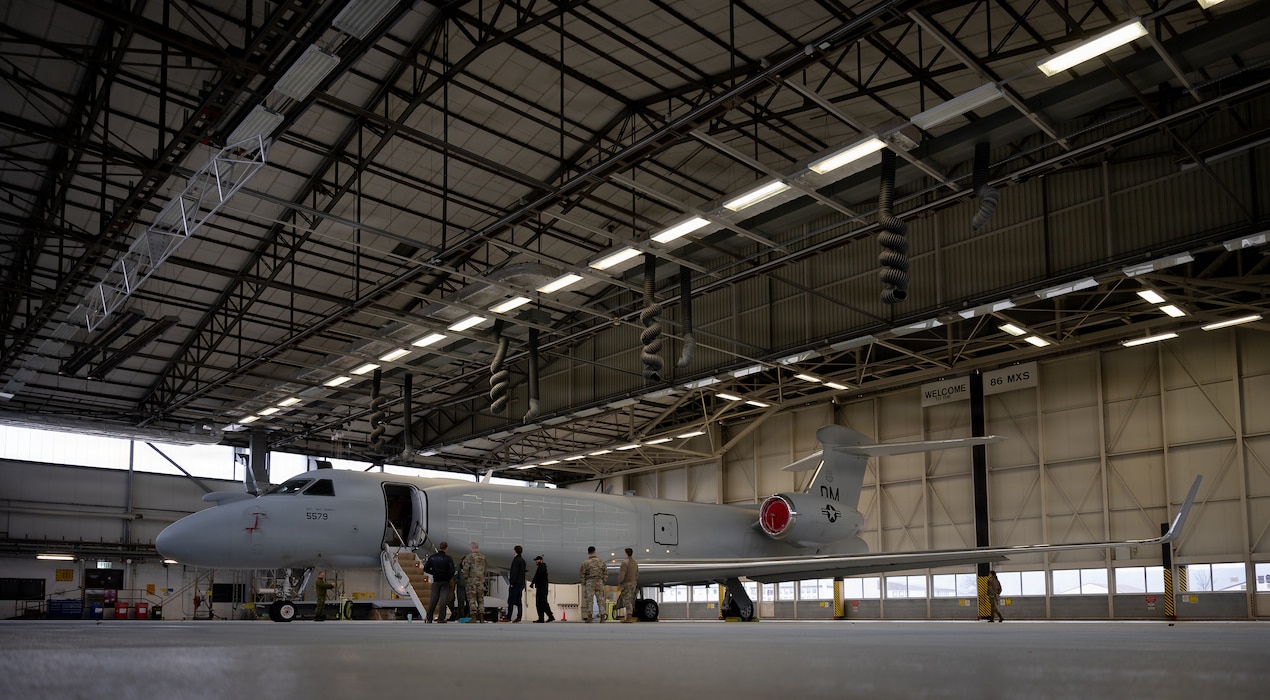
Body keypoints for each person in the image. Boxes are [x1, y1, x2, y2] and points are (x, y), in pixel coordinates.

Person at [422, 541, 455, 623]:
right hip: (445, 582)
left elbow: (425, 568)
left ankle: (429, 617)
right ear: (446, 548)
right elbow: (452, 571)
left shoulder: (432, 558)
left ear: (439, 547)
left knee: (433, 600)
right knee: (443, 600)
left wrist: (433, 573)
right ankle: (441, 618)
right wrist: (448, 577)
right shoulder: (448, 558)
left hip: (436, 581)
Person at [578, 546, 607, 623]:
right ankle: (602, 618)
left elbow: (582, 574)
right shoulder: (601, 562)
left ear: (588, 552)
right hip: (599, 582)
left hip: (590, 582)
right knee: (601, 600)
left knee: (589, 600)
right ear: (595, 551)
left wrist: (584, 583)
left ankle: (590, 618)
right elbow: (606, 573)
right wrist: (603, 581)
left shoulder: (585, 563)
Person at [461, 542, 488, 622]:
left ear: (471, 547)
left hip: (471, 581)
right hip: (481, 581)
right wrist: (482, 578)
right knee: (481, 599)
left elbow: (466, 569)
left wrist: (465, 578)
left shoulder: (469, 557)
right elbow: (485, 569)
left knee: (472, 599)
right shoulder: (483, 557)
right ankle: (482, 617)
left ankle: (473, 617)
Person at [504, 545, 526, 622]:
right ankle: (519, 616)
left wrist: (512, 583)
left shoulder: (516, 560)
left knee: (511, 600)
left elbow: (514, 572)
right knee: (519, 600)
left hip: (515, 583)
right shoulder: (522, 560)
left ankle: (508, 616)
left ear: (515, 551)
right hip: (521, 583)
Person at [530, 555, 555, 623]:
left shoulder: (542, 567)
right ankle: (543, 617)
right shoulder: (542, 567)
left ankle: (548, 616)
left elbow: (537, 576)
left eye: (537, 560)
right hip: (541, 587)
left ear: (541, 560)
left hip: (542, 588)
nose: (536, 562)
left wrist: (532, 583)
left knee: (541, 602)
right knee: (541, 603)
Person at [618, 547, 639, 623]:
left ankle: (629, 618)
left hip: (626, 584)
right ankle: (628, 617)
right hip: (633, 583)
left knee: (627, 601)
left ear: (626, 553)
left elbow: (622, 575)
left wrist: (620, 582)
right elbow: (637, 574)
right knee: (630, 600)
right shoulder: (635, 562)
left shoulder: (624, 563)